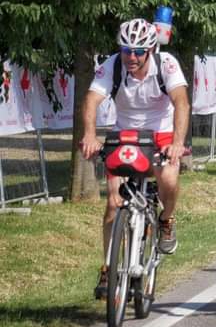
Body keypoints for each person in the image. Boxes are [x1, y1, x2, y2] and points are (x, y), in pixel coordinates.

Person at [80, 18, 190, 298]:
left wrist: (177, 143)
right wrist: (90, 136)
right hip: (124, 133)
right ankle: (107, 269)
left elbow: (181, 102)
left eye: (139, 51)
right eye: (126, 49)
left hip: (161, 134)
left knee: (167, 178)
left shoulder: (167, 65)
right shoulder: (113, 65)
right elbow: (92, 99)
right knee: (113, 204)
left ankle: (166, 219)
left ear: (151, 49)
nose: (131, 56)